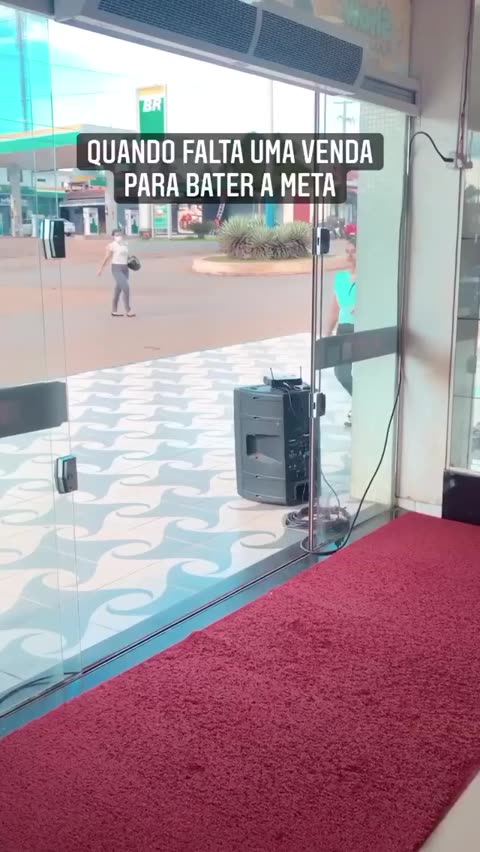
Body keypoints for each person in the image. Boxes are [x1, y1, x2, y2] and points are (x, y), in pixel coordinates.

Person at [325, 236, 356, 427]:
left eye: (354, 251)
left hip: (360, 330)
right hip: (344, 329)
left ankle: (360, 407)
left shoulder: (370, 278)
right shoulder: (341, 278)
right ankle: (361, 402)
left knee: (361, 372)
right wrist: (327, 333)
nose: (350, 255)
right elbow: (335, 308)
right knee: (341, 372)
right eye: (347, 252)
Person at [97, 228, 135, 317]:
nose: (119, 236)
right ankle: (128, 310)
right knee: (126, 287)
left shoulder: (125, 244)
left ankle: (114, 311)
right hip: (116, 268)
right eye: (116, 235)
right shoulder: (111, 245)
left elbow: (127, 256)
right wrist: (101, 269)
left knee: (118, 290)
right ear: (113, 236)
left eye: (120, 234)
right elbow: (107, 257)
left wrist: (132, 261)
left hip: (125, 268)